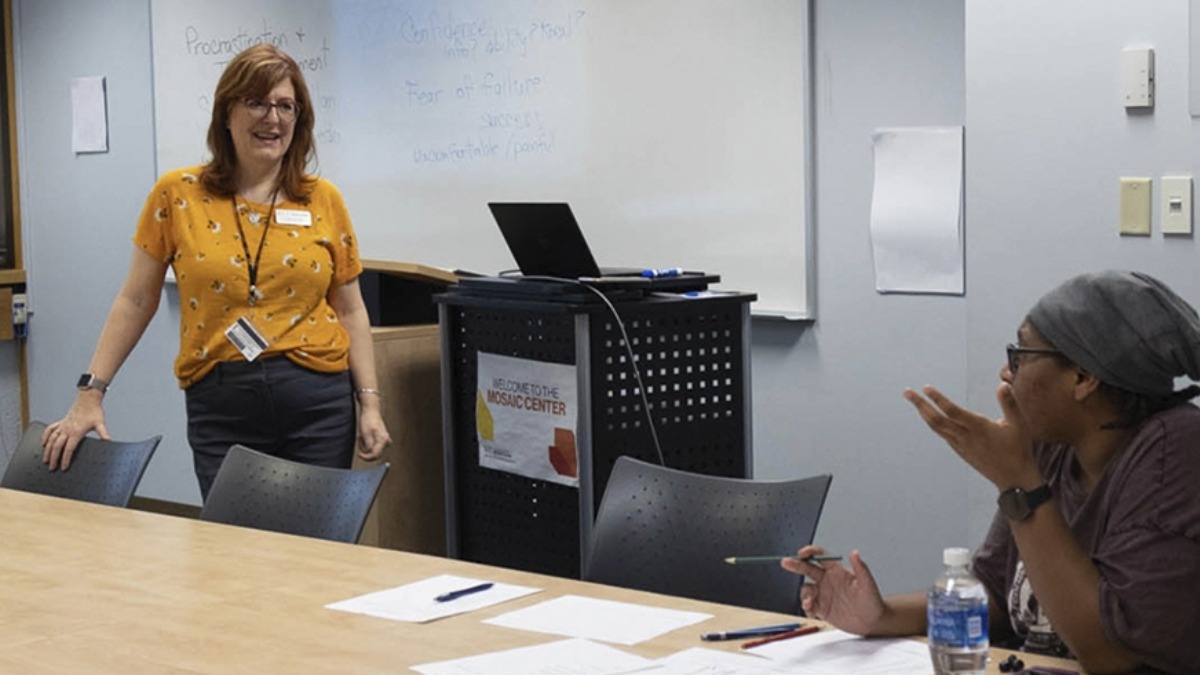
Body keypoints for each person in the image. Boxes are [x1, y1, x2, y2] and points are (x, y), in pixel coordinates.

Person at [784, 270, 1200, 675]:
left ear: (1082, 377)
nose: (1006, 373)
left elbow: (1112, 656)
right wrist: (880, 616)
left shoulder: (1173, 450)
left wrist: (1018, 483)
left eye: (1020, 356)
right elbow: (997, 595)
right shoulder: (1050, 446)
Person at [40, 44, 390, 499]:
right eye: (257, 103)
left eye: (286, 106)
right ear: (227, 114)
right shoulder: (177, 195)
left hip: (318, 404)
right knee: (236, 549)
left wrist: (370, 405)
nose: (274, 118)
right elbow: (136, 300)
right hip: (222, 405)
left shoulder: (321, 199)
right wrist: (91, 392)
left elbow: (351, 311)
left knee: (316, 551)